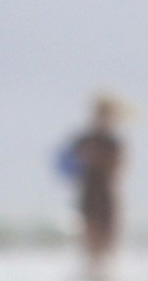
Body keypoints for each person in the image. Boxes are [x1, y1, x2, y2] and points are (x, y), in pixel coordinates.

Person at [55, 93, 129, 262]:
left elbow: (119, 166)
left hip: (107, 191)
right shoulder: (83, 139)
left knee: (108, 232)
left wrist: (100, 159)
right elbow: (68, 162)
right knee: (89, 231)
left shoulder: (113, 142)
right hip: (88, 190)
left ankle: (104, 270)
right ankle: (91, 268)